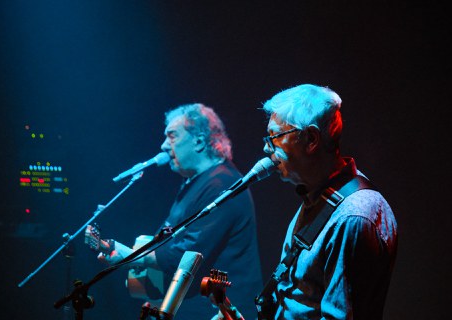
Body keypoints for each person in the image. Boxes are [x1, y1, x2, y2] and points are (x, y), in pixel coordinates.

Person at [88, 103, 263, 319]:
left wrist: (134, 257)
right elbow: (168, 240)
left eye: (172, 136)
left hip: (220, 311)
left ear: (199, 141)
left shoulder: (223, 183)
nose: (163, 145)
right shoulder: (196, 182)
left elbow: (187, 255)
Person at [259, 84, 398, 319]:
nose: (266, 147)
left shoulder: (354, 215)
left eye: (275, 136)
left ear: (311, 139)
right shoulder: (318, 197)